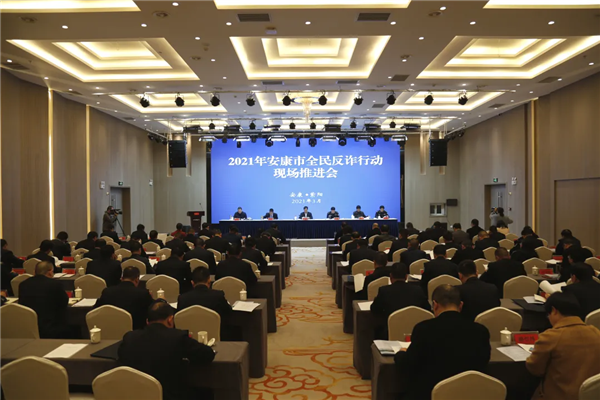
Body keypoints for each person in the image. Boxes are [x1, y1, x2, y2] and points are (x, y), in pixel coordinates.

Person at [394, 285, 491, 400]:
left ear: (435, 305)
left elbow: (408, 364)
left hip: (429, 394)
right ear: (460, 305)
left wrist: (401, 354)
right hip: (470, 394)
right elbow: (484, 362)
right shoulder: (480, 331)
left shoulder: (423, 329)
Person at [118, 301, 215, 400]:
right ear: (170, 320)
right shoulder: (177, 337)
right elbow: (207, 355)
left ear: (147, 322)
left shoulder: (130, 338)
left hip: (136, 396)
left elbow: (121, 356)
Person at [526, 292, 600, 400]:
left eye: (548, 315)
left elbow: (535, 369)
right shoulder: (596, 332)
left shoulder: (550, 336)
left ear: (554, 310)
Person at [371, 262, 431, 338]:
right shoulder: (418, 290)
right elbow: (427, 309)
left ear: (390, 277)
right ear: (406, 277)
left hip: (390, 332)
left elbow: (374, 309)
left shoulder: (384, 291)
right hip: (416, 333)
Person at [19, 261, 72, 338]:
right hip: (51, 328)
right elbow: (64, 303)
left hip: (28, 327)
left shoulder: (23, 284)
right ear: (50, 272)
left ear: (34, 272)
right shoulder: (55, 284)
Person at [177, 267, 233, 334]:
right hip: (216, 335)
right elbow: (229, 312)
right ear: (209, 281)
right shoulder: (218, 296)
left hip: (189, 337)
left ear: (192, 283)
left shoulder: (182, 298)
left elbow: (178, 319)